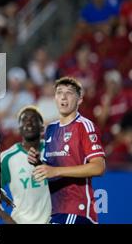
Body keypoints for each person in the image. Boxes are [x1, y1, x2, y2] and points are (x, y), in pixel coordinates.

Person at [28, 77, 106, 224]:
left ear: (80, 99)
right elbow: (52, 170)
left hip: (77, 210)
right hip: (56, 209)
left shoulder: (84, 126)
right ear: (55, 98)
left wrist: (56, 171)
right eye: (59, 92)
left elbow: (99, 167)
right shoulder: (51, 129)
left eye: (69, 93)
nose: (63, 96)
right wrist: (38, 162)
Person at [0, 106, 51, 224]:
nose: (28, 122)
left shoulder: (54, 150)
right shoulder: (8, 157)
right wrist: (7, 219)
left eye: (33, 119)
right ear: (19, 129)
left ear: (42, 128)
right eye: (24, 119)